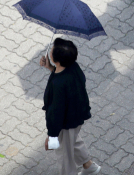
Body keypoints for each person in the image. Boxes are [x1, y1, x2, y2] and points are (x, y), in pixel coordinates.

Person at [39, 38, 100, 175]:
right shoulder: (74, 67)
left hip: (64, 123)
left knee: (64, 156)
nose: (51, 49)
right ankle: (89, 166)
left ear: (56, 58)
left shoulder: (58, 84)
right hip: (75, 118)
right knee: (72, 141)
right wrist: (50, 67)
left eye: (52, 49)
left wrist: (51, 137)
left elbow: (55, 114)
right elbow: (65, 77)